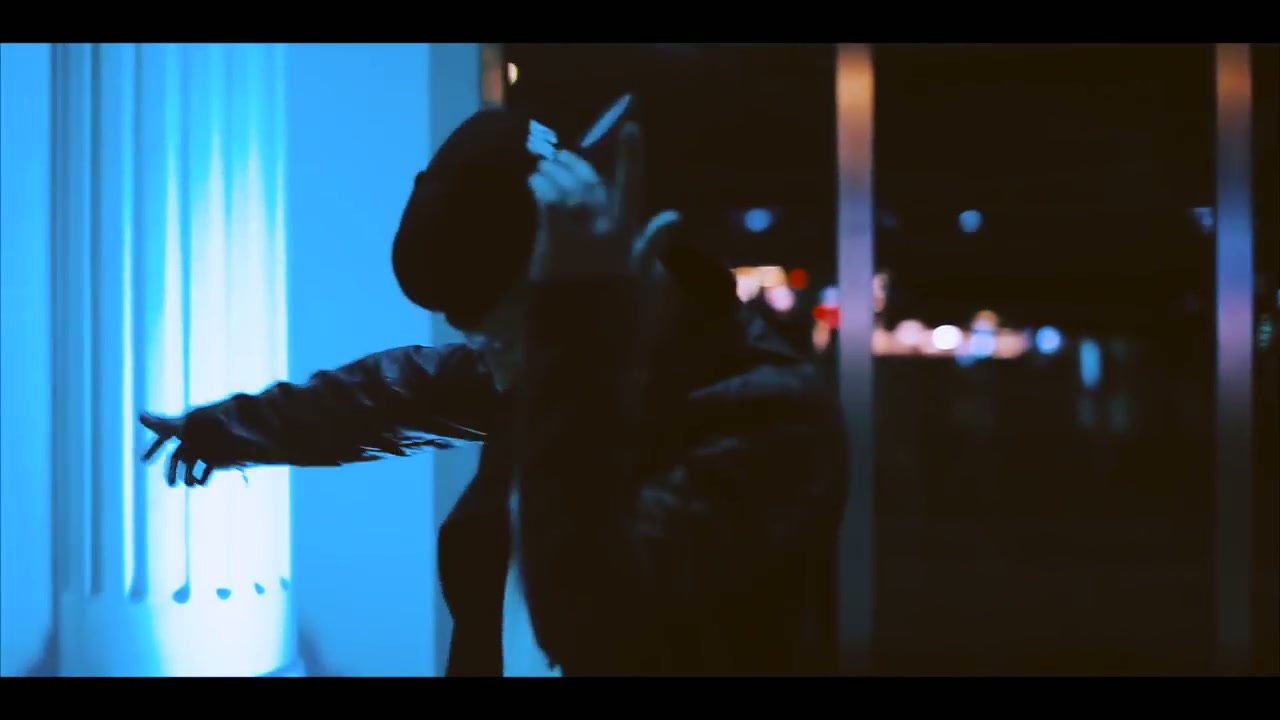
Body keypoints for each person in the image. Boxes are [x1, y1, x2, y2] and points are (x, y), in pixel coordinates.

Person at [139, 105, 848, 676]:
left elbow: (591, 615)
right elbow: (391, 392)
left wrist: (576, 343)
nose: (497, 367)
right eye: (482, 341)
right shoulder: (552, 372)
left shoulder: (768, 412)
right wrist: (225, 428)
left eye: (510, 337)